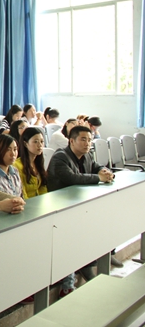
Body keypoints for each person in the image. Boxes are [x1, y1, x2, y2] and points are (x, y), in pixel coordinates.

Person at [47, 125, 115, 298]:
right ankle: (71, 279)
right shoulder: (60, 157)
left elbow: (96, 166)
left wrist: (104, 172)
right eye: (83, 139)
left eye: (90, 140)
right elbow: (72, 178)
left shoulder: (87, 155)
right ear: (71, 141)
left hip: (79, 205)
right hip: (59, 208)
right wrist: (98, 178)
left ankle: (95, 258)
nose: (87, 143)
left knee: (101, 222)